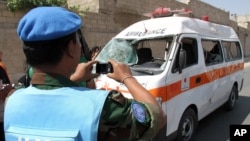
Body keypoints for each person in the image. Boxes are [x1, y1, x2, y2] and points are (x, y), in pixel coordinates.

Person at [4, 6, 166, 141]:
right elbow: (156, 117)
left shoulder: (12, 99)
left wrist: (74, 79)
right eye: (78, 41)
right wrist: (126, 77)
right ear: (70, 48)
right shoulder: (103, 107)